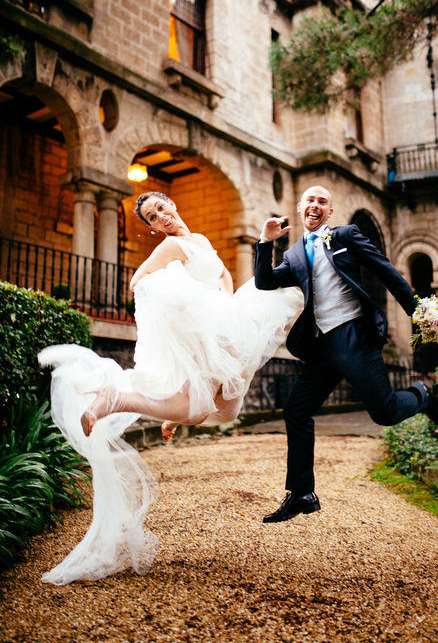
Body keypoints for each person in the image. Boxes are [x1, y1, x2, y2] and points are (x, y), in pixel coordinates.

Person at [39, 191, 303, 584]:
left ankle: (176, 415)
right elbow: (137, 282)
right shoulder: (170, 247)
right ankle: (115, 398)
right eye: (151, 216)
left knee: (227, 411)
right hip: (197, 330)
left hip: (222, 328)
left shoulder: (198, 240)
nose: (161, 216)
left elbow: (224, 275)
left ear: (173, 205)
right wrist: (186, 304)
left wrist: (226, 309)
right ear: (150, 227)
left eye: (162, 207)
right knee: (199, 409)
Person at [254, 184, 438, 524]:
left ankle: (422, 394)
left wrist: (420, 313)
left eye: (322, 202)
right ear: (300, 209)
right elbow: (264, 283)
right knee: (297, 411)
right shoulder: (295, 254)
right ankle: (301, 493)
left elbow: (386, 271)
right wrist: (265, 242)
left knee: (384, 413)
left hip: (354, 336)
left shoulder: (346, 236)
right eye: (309, 200)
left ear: (329, 212)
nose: (315, 205)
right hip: (321, 345)